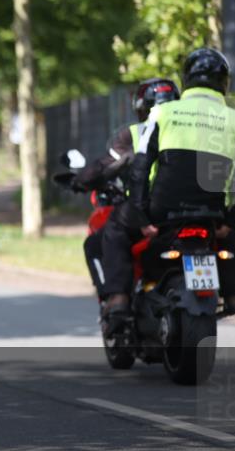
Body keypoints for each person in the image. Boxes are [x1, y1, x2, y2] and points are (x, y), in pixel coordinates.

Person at [106, 48, 235, 328]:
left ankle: (118, 298)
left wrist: (142, 219)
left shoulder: (162, 112)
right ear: (224, 82)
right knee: (230, 236)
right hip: (211, 214)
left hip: (162, 213)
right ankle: (233, 294)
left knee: (115, 227)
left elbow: (141, 170)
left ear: (187, 79)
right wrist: (230, 220)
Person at [74, 78, 180, 298]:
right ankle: (233, 293)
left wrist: (79, 181)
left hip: (147, 209)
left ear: (141, 108)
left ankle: (118, 301)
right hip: (186, 206)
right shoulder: (189, 129)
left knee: (100, 240)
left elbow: (102, 167)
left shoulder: (133, 134)